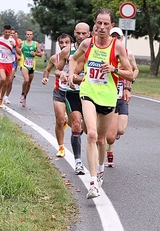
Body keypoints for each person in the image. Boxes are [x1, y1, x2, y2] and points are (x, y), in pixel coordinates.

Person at [67, 8, 134, 199]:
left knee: (101, 140)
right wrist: (72, 74)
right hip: (88, 91)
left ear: (112, 25)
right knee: (91, 135)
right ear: (94, 24)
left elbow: (130, 74)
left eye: (106, 23)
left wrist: (114, 69)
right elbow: (73, 59)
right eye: (99, 23)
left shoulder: (118, 47)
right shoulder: (88, 43)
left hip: (108, 97)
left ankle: (101, 168)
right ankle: (93, 182)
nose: (102, 27)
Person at [55, 22, 90, 175]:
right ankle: (78, 162)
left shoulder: (95, 50)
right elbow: (57, 69)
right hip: (72, 93)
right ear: (74, 33)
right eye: (79, 33)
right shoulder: (67, 51)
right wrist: (62, 74)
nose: (81, 36)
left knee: (90, 130)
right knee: (76, 124)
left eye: (84, 33)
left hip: (90, 94)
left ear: (89, 34)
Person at [105, 27, 139, 167]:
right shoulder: (105, 52)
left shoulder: (128, 54)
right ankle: (109, 152)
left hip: (122, 94)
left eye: (118, 37)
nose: (115, 39)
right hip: (108, 95)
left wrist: (128, 87)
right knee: (110, 134)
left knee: (121, 130)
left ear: (121, 38)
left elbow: (134, 70)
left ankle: (112, 135)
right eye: (113, 36)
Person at [42, 33, 73, 158]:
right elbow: (47, 69)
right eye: (61, 42)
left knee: (73, 122)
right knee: (59, 120)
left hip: (73, 91)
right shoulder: (55, 58)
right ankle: (61, 147)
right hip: (59, 91)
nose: (64, 45)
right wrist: (45, 78)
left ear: (71, 43)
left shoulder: (77, 56)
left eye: (67, 42)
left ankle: (67, 120)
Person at [0, 24, 21, 108]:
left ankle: (1, 98)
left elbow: (19, 52)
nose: (7, 34)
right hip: (0, 62)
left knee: (7, 83)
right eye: (6, 32)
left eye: (9, 32)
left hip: (9, 63)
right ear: (3, 31)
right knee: (3, 78)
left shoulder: (13, 40)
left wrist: (14, 46)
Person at [19, 29, 42, 107]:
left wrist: (35, 53)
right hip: (24, 64)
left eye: (30, 34)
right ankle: (22, 93)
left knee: (29, 83)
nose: (29, 36)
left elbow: (40, 54)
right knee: (26, 80)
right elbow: (17, 51)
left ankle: (25, 97)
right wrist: (19, 54)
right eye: (27, 34)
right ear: (25, 35)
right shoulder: (22, 43)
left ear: (32, 35)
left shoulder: (35, 44)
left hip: (32, 65)